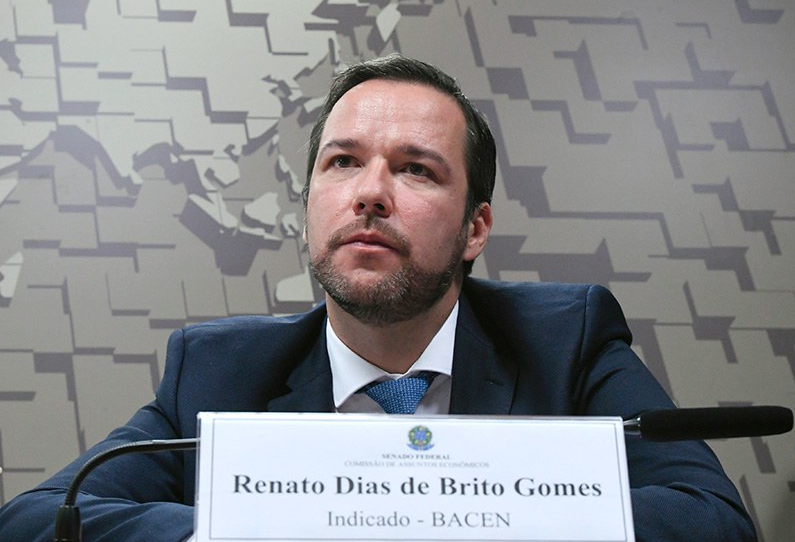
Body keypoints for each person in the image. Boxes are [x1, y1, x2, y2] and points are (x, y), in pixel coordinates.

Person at [0, 54, 756, 542]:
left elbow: (712, 520)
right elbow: (36, 520)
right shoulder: (218, 370)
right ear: (308, 204)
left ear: (475, 228)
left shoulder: (566, 341)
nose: (369, 194)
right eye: (342, 162)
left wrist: (424, 514)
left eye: (416, 169)